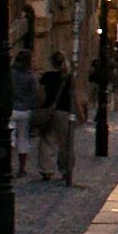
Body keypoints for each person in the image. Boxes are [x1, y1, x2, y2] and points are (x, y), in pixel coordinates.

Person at [35, 52, 74, 183]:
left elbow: (40, 95)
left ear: (52, 63)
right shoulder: (69, 77)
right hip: (64, 112)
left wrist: (41, 108)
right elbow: (75, 97)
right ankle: (65, 170)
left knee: (47, 141)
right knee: (65, 143)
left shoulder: (47, 76)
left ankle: (47, 170)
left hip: (49, 111)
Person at [9, 49, 36, 177]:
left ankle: (7, 165)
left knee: (10, 138)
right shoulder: (30, 76)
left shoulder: (10, 73)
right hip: (25, 110)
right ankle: (21, 168)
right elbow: (33, 94)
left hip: (11, 109)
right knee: (23, 139)